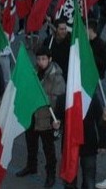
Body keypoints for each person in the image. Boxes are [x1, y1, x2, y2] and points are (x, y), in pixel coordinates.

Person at [16, 46, 65, 188]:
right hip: (32, 116)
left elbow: (59, 99)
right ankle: (31, 166)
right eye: (38, 59)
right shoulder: (33, 72)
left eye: (43, 59)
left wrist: (44, 98)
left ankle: (50, 175)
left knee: (48, 149)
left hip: (46, 119)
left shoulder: (57, 77)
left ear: (50, 59)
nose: (40, 62)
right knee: (31, 144)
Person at [63, 94, 106, 189]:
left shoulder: (92, 98)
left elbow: (100, 121)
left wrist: (103, 143)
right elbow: (57, 118)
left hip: (87, 143)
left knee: (88, 178)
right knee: (71, 179)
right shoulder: (64, 98)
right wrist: (55, 124)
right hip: (72, 144)